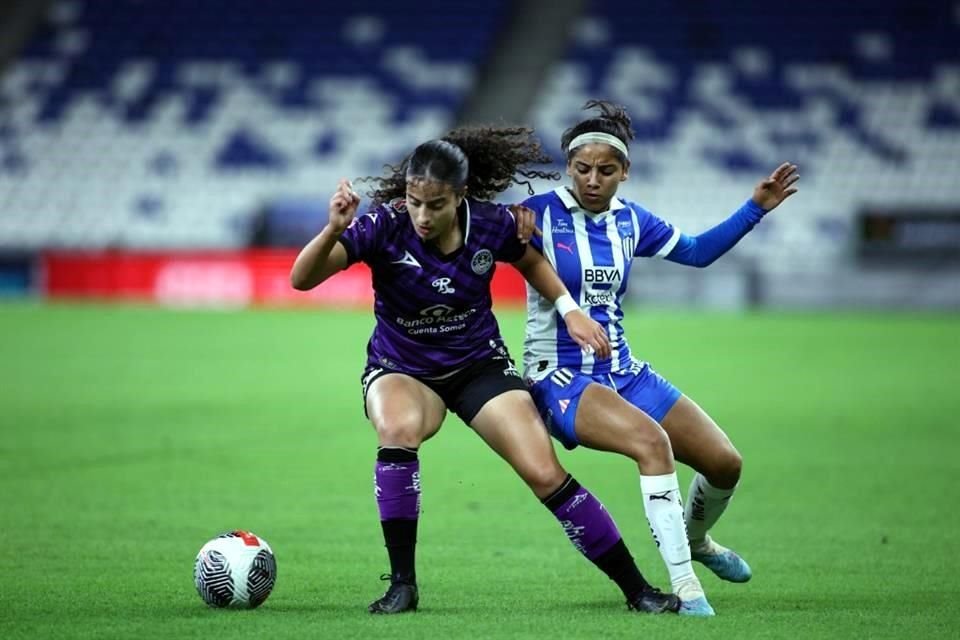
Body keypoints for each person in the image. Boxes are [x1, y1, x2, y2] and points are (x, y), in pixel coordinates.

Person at [290, 125, 682, 615]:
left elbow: (534, 262)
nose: (422, 215)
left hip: (478, 365)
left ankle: (637, 590)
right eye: (414, 202)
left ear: (460, 196)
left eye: (435, 204)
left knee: (544, 472)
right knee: (398, 429)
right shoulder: (384, 226)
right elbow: (301, 280)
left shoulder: (493, 224)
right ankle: (403, 585)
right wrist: (333, 228)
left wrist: (570, 310)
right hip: (402, 366)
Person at [520, 100, 800, 616]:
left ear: (625, 171)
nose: (593, 179)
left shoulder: (632, 221)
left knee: (724, 463)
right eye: (583, 169)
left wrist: (755, 206)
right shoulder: (534, 215)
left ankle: (695, 542)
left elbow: (695, 251)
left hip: (623, 370)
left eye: (606, 170)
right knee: (653, 443)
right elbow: (466, 234)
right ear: (569, 167)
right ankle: (685, 586)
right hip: (558, 375)